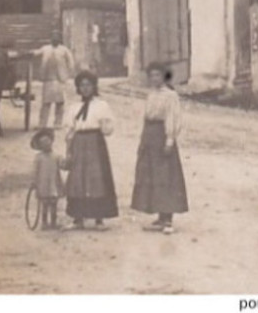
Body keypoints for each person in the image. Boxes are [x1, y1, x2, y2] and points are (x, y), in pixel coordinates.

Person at [131, 62, 188, 234]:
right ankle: (160, 217)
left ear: (164, 76)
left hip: (162, 136)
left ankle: (168, 218)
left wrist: (169, 140)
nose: (154, 78)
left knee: (166, 176)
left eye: (157, 75)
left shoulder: (170, 96)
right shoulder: (151, 95)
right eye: (151, 75)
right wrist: (143, 141)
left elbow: (172, 117)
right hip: (150, 136)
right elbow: (146, 118)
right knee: (152, 176)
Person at [64, 69, 118, 230]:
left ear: (94, 87)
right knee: (77, 180)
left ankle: (99, 218)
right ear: (78, 88)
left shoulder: (101, 105)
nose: (85, 88)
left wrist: (103, 125)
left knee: (96, 179)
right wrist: (69, 149)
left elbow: (108, 129)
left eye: (89, 85)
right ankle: (78, 218)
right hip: (79, 143)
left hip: (95, 143)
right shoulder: (74, 107)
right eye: (82, 85)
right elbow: (69, 131)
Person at [34, 29, 75, 129]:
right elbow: (36, 53)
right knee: (46, 103)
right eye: (53, 37)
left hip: (60, 80)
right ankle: (42, 123)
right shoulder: (45, 48)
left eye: (57, 37)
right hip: (48, 79)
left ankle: (58, 123)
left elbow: (71, 62)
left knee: (60, 103)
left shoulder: (64, 50)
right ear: (50, 39)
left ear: (59, 39)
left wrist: (67, 74)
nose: (55, 39)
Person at [30, 128, 68, 230]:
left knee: (53, 205)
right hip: (43, 185)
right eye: (43, 143)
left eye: (48, 142)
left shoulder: (56, 156)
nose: (46, 145)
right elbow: (35, 171)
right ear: (40, 146)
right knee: (45, 205)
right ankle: (44, 223)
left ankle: (53, 222)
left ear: (51, 142)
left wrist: (68, 161)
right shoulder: (38, 158)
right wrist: (34, 182)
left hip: (54, 184)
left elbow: (63, 165)